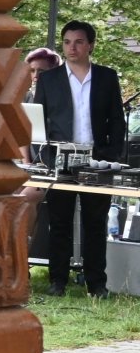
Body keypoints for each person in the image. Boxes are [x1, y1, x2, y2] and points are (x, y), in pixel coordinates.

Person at [33, 20, 125, 297]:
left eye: (79, 42)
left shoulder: (107, 77)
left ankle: (96, 284)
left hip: (98, 160)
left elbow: (117, 121)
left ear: (91, 45)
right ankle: (57, 281)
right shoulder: (49, 79)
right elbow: (39, 121)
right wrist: (47, 158)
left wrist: (110, 155)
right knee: (59, 222)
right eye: (67, 42)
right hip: (61, 159)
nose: (72, 47)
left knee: (95, 223)